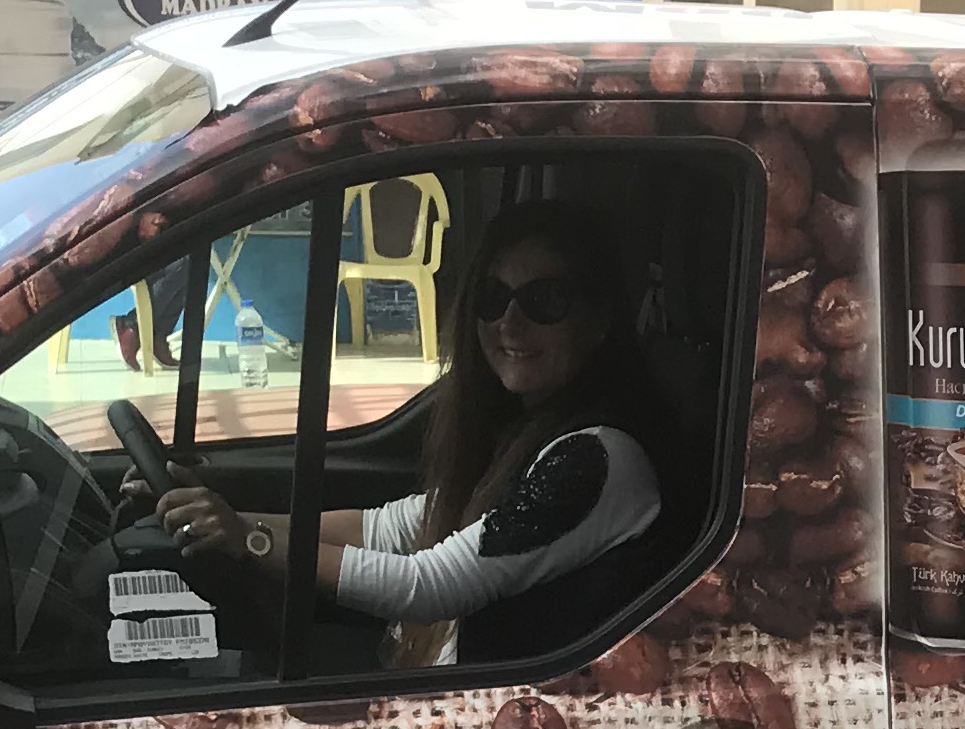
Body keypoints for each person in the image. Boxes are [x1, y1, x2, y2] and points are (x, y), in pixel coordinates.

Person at [157, 197, 669, 665]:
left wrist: (250, 540)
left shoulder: (596, 460)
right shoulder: (522, 428)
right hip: (424, 673)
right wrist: (218, 516)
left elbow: (425, 585)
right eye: (492, 298)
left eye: (545, 300)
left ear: (599, 320)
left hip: (466, 710)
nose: (510, 322)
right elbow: (386, 529)